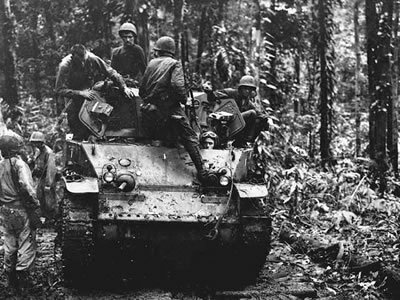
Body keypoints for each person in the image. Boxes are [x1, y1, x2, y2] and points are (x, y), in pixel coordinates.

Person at [139, 36, 212, 185]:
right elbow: (178, 87)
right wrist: (184, 100)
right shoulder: (174, 64)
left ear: (158, 51)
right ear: (172, 52)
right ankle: (203, 172)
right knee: (190, 136)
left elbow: (142, 90)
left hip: (149, 111)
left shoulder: (151, 64)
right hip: (169, 109)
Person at [55, 44, 135, 140]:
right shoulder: (65, 65)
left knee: (95, 116)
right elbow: (59, 90)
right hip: (72, 93)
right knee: (74, 121)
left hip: (90, 90)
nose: (82, 64)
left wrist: (123, 87)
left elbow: (111, 72)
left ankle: (97, 136)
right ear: (73, 57)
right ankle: (79, 139)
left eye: (84, 60)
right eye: (79, 62)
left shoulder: (93, 58)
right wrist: (80, 93)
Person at [0, 133, 40, 295]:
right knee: (26, 242)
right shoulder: (20, 165)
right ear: (16, 148)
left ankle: (10, 281)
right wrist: (35, 204)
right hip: (20, 209)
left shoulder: (0, 165)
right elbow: (26, 186)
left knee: (9, 243)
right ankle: (24, 282)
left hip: (4, 210)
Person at [205, 75, 262, 147]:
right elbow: (213, 97)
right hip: (225, 123)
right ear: (241, 88)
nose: (248, 91)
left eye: (250, 89)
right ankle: (239, 140)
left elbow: (257, 112)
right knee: (252, 113)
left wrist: (266, 118)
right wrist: (209, 92)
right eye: (245, 88)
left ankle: (241, 141)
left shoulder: (247, 101)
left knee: (261, 120)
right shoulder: (231, 93)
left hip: (236, 125)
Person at [29, 131, 57, 221]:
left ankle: (51, 219)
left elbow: (51, 170)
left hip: (47, 179)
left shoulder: (49, 153)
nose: (35, 145)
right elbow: (36, 163)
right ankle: (44, 217)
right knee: (40, 198)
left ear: (41, 142)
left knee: (49, 201)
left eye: (36, 142)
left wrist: (49, 184)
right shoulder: (38, 152)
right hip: (40, 178)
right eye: (34, 143)